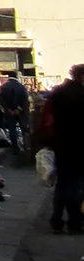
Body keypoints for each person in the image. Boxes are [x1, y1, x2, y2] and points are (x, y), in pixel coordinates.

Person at [48, 64, 84, 234]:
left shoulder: (59, 92)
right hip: (77, 146)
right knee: (74, 186)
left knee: (62, 184)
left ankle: (56, 219)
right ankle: (74, 222)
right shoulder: (79, 95)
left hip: (60, 144)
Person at [0, 73, 28, 154]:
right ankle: (26, 145)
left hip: (9, 112)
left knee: (12, 129)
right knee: (23, 128)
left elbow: (0, 98)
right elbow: (25, 99)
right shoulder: (21, 86)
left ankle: (15, 148)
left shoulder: (3, 86)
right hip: (20, 112)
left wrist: (8, 109)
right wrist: (19, 109)